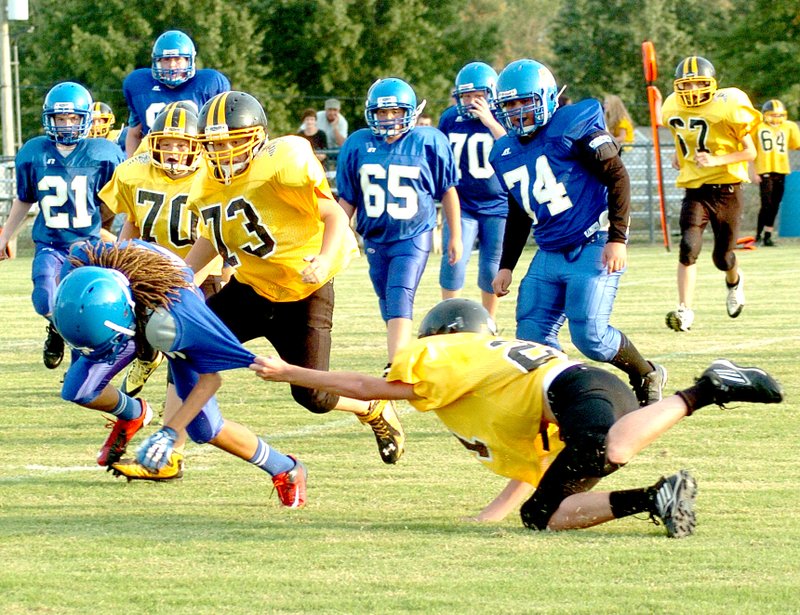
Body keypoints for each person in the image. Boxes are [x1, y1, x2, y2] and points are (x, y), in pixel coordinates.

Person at [250, 298, 784, 536]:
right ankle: (656, 499)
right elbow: (530, 470)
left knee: (609, 449)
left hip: (578, 391)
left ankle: (706, 388)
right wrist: (490, 517)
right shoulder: (486, 373)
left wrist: (295, 373)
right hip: (588, 398)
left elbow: (372, 387)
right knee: (545, 514)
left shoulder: (451, 353)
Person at [183, 90, 406, 465]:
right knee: (188, 343)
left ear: (256, 139)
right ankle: (174, 443)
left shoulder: (281, 161)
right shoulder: (206, 181)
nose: (224, 154)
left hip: (305, 293)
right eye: (214, 145)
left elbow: (333, 215)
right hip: (251, 290)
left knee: (313, 398)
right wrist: (185, 275)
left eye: (233, 144)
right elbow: (214, 234)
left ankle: (371, 406)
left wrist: (323, 258)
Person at [51, 241, 307, 508]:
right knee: (78, 390)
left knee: (205, 428)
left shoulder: (176, 319)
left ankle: (286, 468)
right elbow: (78, 263)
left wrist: (170, 432)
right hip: (126, 305)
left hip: (163, 304)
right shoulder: (81, 270)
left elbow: (211, 380)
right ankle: (134, 414)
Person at [488, 59, 665, 407]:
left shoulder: (573, 125)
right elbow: (518, 211)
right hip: (550, 250)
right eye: (510, 104)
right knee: (533, 337)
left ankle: (645, 372)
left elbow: (618, 176)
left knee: (592, 336)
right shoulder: (504, 151)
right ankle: (570, 399)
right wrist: (506, 264)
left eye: (525, 101)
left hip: (593, 241)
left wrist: (618, 238)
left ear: (549, 98)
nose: (518, 112)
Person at [97, 102, 226, 482]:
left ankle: (170, 450)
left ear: (196, 146)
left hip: (200, 276)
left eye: (181, 143)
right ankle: (137, 417)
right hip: (152, 276)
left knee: (184, 363)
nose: (172, 151)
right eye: (165, 142)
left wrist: (221, 275)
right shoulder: (135, 170)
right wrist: (122, 261)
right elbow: (132, 224)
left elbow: (222, 236)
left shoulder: (215, 175)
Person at [336, 77, 462, 366]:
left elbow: (448, 190)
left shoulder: (427, 140)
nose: (389, 118)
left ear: (410, 112)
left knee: (399, 294)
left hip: (413, 233)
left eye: (395, 112)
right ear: (372, 113)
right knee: (386, 300)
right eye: (382, 112)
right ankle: (404, 355)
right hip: (375, 236)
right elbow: (348, 200)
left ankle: (396, 366)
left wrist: (455, 235)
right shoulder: (358, 144)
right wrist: (330, 240)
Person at [0, 82, 124, 370]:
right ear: (49, 119)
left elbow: (113, 202)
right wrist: (5, 234)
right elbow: (24, 199)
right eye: (60, 118)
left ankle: (83, 365)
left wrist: (103, 228)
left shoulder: (102, 153)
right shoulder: (35, 153)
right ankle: (57, 329)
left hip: (88, 246)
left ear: (85, 119)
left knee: (87, 307)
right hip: (51, 244)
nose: (67, 125)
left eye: (73, 118)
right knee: (45, 300)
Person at [661, 56, 760, 332]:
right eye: (686, 85)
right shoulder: (672, 107)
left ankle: (734, 280)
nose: (692, 91)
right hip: (696, 190)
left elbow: (750, 152)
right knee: (688, 247)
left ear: (712, 85)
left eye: (698, 84)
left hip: (728, 190)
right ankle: (684, 310)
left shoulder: (728, 106)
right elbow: (687, 138)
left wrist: (716, 160)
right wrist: (677, 155)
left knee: (722, 257)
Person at [438, 61, 508, 318]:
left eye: (478, 95)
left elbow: (511, 147)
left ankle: (488, 321)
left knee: (492, 268)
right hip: (462, 203)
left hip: (499, 204)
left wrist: (490, 121)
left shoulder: (502, 118)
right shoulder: (449, 118)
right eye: (465, 96)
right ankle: (448, 317)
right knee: (453, 261)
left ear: (492, 95)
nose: (471, 101)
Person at [123, 29, 230, 157]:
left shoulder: (210, 83)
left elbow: (224, 134)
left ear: (188, 60)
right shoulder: (139, 84)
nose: (172, 65)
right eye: (166, 59)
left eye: (177, 59)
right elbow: (134, 134)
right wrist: (131, 163)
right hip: (156, 158)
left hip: (199, 159)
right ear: (157, 62)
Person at [750, 99, 800, 246]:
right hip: (764, 169)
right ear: (765, 115)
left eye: (779, 115)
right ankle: (758, 236)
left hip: (781, 169)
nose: (776, 119)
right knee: (766, 204)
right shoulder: (757, 127)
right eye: (773, 115)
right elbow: (750, 151)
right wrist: (753, 172)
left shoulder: (789, 126)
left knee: (775, 204)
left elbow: (796, 145)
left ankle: (768, 236)